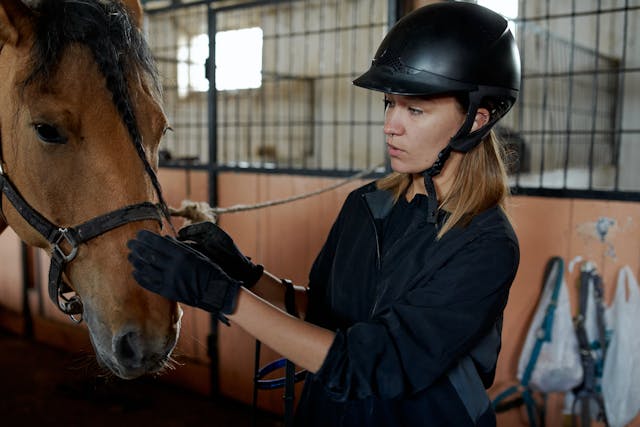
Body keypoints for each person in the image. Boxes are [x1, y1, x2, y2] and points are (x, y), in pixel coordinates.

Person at [127, 2, 521, 426]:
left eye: (415, 110)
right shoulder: (368, 204)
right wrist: (242, 273)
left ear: (477, 120)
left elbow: (376, 362)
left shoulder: (485, 243)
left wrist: (225, 298)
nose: (391, 124)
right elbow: (322, 316)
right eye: (390, 103)